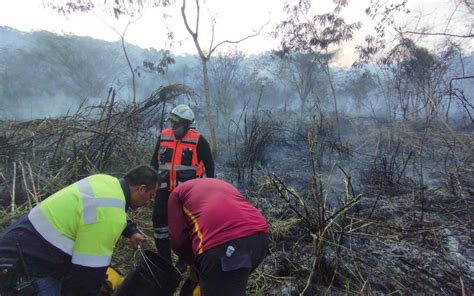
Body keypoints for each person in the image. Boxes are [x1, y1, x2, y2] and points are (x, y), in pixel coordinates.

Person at [0, 165, 159, 296]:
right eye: (151, 195)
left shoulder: (105, 181)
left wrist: (130, 230)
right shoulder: (110, 217)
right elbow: (87, 276)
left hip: (16, 243)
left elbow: (101, 208)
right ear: (142, 189)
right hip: (24, 266)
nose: (150, 200)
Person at [168, 178, 269, 296]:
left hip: (222, 246)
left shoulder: (176, 194)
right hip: (259, 239)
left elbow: (178, 241)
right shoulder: (220, 184)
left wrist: (193, 264)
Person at [150, 104, 215, 263]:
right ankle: (165, 260)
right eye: (172, 122)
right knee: (159, 224)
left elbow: (210, 166)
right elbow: (153, 163)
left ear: (187, 124)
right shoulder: (164, 136)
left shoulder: (198, 140)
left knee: (186, 228)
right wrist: (152, 185)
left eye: (177, 123)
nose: (173, 126)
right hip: (164, 191)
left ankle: (184, 262)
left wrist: (210, 189)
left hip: (187, 195)